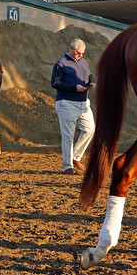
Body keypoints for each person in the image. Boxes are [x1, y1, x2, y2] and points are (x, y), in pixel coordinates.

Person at [51, 38, 96, 174]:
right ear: (71, 49)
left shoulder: (84, 62)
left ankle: (76, 156)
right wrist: (74, 88)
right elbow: (55, 83)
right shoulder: (61, 63)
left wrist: (93, 83)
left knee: (90, 129)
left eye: (82, 53)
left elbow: (90, 76)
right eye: (78, 53)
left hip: (83, 102)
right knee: (68, 135)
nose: (80, 55)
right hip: (66, 102)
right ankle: (67, 166)